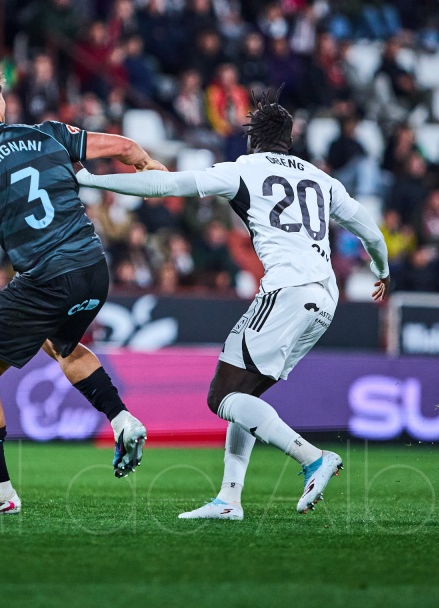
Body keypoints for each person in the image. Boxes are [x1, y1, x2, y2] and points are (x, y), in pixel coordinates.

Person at [75, 95, 390, 520]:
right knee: (243, 394)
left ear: (254, 139)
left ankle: (312, 457)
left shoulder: (244, 169)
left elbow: (166, 186)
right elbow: (370, 230)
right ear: (289, 140)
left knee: (221, 396)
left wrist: (91, 181)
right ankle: (229, 499)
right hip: (325, 299)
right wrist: (381, 270)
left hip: (287, 290)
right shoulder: (321, 179)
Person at [0, 68, 165, 516]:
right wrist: (150, 168)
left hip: (47, 277)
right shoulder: (47, 134)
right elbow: (125, 147)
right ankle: (122, 420)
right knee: (60, 343)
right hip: (93, 269)